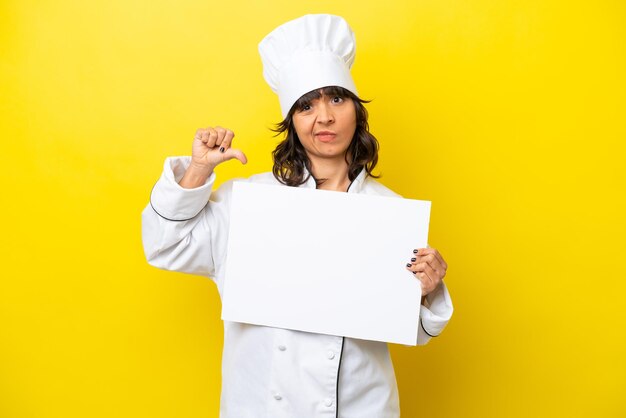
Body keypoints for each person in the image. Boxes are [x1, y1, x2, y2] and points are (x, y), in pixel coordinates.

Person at [142, 14, 453, 418]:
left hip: (361, 408)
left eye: (337, 99)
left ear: (356, 112)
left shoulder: (390, 213)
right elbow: (166, 246)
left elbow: (408, 328)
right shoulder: (248, 201)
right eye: (306, 105)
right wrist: (199, 170)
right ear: (292, 121)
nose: (323, 116)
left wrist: (427, 289)